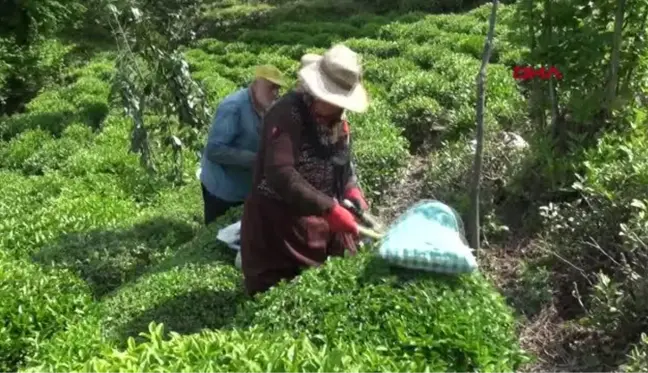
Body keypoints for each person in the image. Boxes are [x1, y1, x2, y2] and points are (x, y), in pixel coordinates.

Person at [240, 44, 371, 296]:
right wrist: (329, 208)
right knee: (277, 299)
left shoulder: (339, 123)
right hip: (277, 233)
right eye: (330, 98)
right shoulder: (285, 114)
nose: (335, 106)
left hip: (318, 231)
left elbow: (343, 168)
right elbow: (280, 173)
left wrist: (353, 192)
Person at [199, 65, 286, 225]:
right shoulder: (233, 107)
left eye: (278, 88)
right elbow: (214, 150)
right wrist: (256, 159)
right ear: (256, 84)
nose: (275, 93)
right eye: (271, 87)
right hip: (222, 188)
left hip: (244, 186)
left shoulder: (266, 107)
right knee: (218, 231)